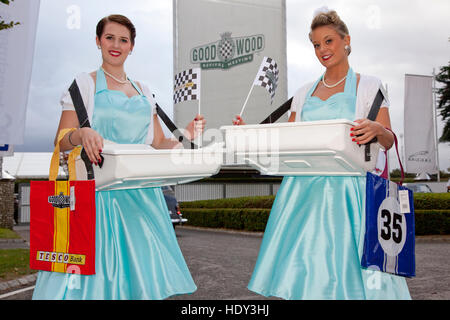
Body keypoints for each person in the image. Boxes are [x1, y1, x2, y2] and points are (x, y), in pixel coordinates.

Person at [233, 9, 411, 299]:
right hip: (303, 192)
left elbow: (388, 141)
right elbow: (287, 141)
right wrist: (248, 132)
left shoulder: (369, 85)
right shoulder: (303, 92)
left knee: (352, 271)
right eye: (316, 45)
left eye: (328, 41)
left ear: (346, 40)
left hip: (351, 192)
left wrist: (377, 128)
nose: (322, 50)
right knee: (306, 272)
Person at [32, 14, 204, 300]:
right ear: (98, 41)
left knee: (141, 280)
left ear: (131, 46)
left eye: (123, 40)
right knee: (96, 279)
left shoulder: (144, 91)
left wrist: (186, 135)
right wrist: (82, 134)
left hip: (142, 199)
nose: (116, 45)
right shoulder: (83, 85)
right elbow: (61, 140)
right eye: (109, 38)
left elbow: (159, 142)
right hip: (97, 197)